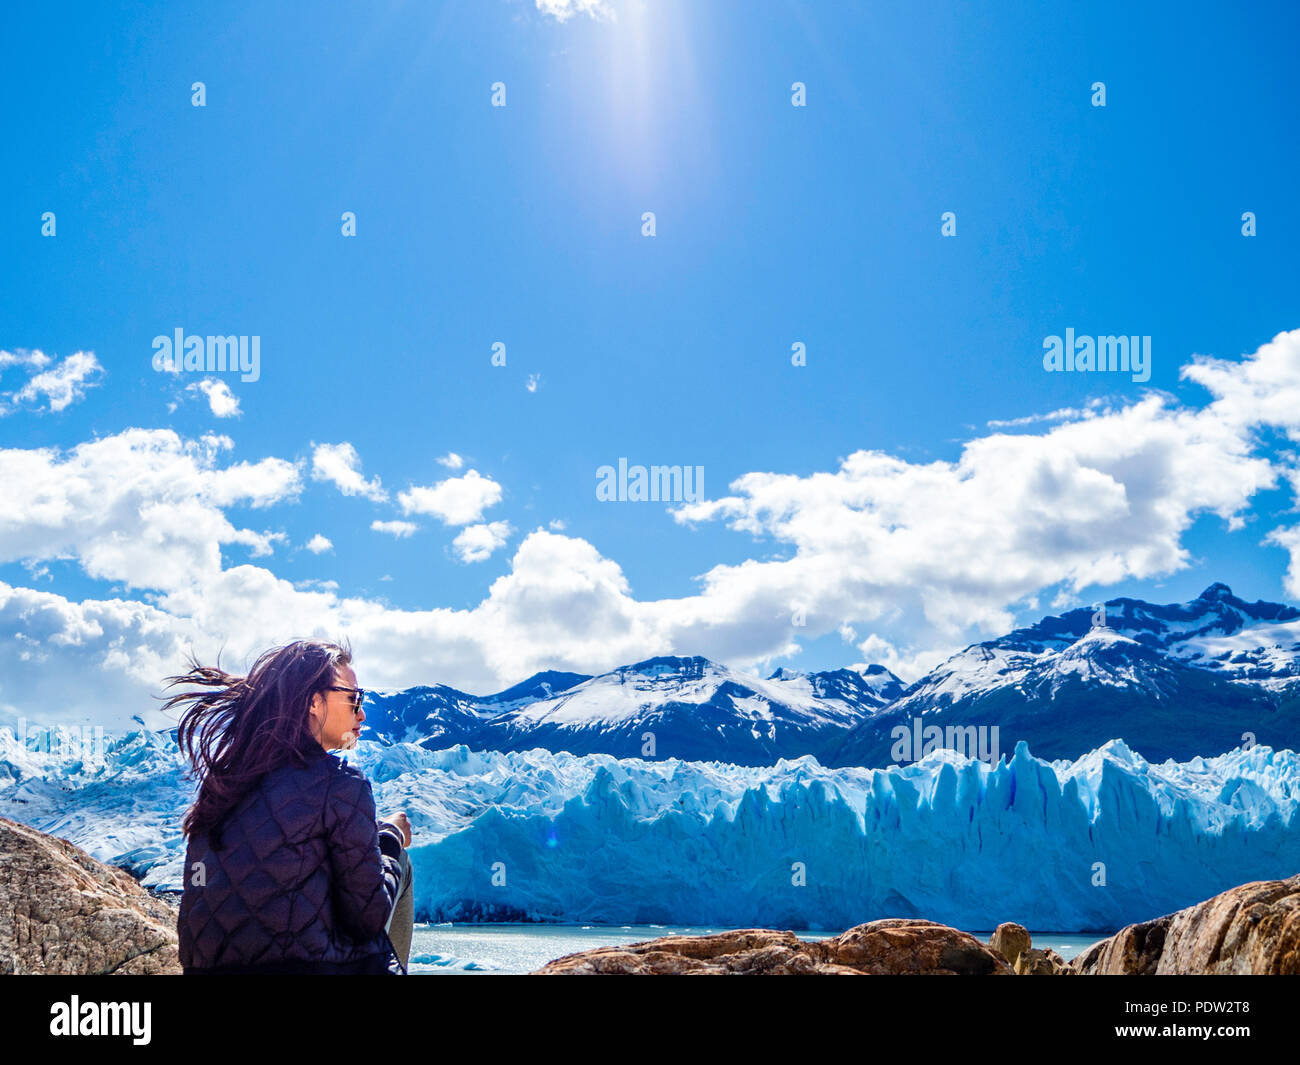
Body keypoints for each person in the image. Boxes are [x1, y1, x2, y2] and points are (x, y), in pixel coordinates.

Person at [166, 638, 415, 974]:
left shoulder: (221, 785)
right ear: (314, 702)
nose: (362, 712)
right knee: (398, 858)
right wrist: (389, 837)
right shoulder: (340, 783)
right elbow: (367, 917)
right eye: (353, 699)